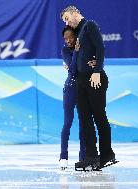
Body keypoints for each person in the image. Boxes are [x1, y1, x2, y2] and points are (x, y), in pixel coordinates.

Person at [60, 6, 117, 170]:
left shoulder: (89, 25)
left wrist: (97, 70)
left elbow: (100, 47)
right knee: (85, 119)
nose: (67, 22)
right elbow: (79, 55)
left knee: (99, 116)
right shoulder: (77, 32)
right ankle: (91, 156)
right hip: (81, 80)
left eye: (66, 18)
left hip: (94, 78)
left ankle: (107, 154)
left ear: (74, 12)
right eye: (64, 20)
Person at [59, 26, 96, 170]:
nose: (68, 41)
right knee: (67, 123)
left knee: (83, 125)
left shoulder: (85, 49)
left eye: (71, 38)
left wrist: (94, 62)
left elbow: (91, 64)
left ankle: (83, 157)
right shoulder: (65, 51)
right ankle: (63, 156)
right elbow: (74, 70)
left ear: (76, 37)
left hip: (83, 90)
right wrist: (75, 52)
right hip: (70, 88)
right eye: (65, 39)